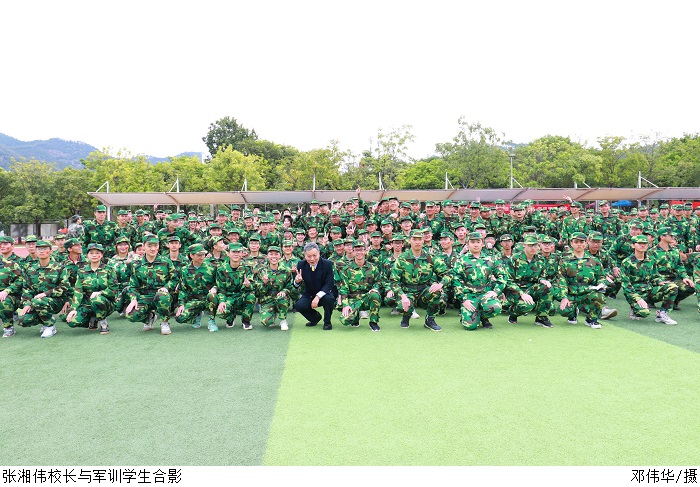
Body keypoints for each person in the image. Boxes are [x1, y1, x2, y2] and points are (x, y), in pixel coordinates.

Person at [389, 229, 449, 331]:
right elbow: (394, 281)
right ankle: (406, 316)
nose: (417, 242)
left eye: (419, 239)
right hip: (407, 291)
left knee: (436, 292)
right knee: (401, 305)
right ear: (409, 240)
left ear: (423, 241)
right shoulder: (402, 258)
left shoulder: (430, 257)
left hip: (423, 291)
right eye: (414, 239)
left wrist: (440, 284)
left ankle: (430, 319)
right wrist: (403, 296)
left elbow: (447, 273)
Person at [452, 232, 506, 330]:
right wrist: (463, 299)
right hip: (469, 295)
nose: (475, 244)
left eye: (478, 242)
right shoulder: (461, 260)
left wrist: (496, 291)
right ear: (467, 244)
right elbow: (456, 280)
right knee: (470, 326)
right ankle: (467, 315)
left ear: (482, 243)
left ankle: (483, 317)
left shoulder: (491, 259)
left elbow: (502, 275)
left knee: (496, 307)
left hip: (485, 294)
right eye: (472, 242)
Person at [620, 235, 679, 324]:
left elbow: (654, 276)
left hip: (649, 290)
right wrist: (637, 298)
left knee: (672, 287)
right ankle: (634, 308)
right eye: (639, 243)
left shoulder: (651, 260)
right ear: (633, 245)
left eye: (645, 243)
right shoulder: (627, 262)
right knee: (644, 313)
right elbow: (625, 284)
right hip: (636, 293)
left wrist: (659, 281)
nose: (642, 245)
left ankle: (662, 314)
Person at [124, 236, 177, 335]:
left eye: (155, 246)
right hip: (145, 297)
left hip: (162, 296)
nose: (153, 249)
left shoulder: (166, 262)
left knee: (162, 296)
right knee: (131, 314)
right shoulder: (137, 265)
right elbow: (133, 286)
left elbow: (174, 279)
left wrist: (166, 287)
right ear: (143, 246)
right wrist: (133, 299)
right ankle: (150, 318)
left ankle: (165, 322)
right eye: (149, 246)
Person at [556, 232, 609, 329]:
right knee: (564, 311)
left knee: (599, 297)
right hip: (572, 294)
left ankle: (591, 319)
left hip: (587, 293)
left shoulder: (594, 261)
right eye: (576, 242)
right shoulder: (565, 260)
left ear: (586, 243)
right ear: (571, 243)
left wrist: (601, 284)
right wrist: (564, 297)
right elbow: (562, 280)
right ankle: (573, 313)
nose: (579, 244)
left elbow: (601, 276)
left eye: (581, 242)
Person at [65, 244, 119, 334]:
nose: (94, 255)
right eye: (91, 253)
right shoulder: (81, 271)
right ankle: (92, 318)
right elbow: (78, 291)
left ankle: (103, 322)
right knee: (72, 321)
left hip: (105, 302)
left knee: (97, 300)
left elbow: (114, 289)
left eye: (97, 253)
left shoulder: (109, 270)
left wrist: (101, 293)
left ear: (101, 255)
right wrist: (73, 308)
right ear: (87, 255)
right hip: (87, 303)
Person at [16, 240, 65, 337]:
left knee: (39, 301)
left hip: (56, 301)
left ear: (51, 251)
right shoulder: (30, 269)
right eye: (39, 249)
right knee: (23, 320)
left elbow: (64, 287)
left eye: (44, 249)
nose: (41, 251)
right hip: (36, 302)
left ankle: (49, 326)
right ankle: (45, 318)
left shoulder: (59, 268)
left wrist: (46, 294)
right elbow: (27, 289)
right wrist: (27, 304)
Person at [337, 240, 382, 332]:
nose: (359, 253)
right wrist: (345, 304)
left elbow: (378, 281)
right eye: (356, 250)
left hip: (366, 298)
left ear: (365, 251)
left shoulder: (372, 267)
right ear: (353, 252)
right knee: (345, 320)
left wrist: (375, 288)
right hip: (353, 299)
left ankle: (373, 322)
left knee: (375, 295)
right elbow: (344, 288)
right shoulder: (346, 269)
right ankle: (355, 316)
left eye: (361, 250)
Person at [212, 242, 256, 330]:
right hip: (229, 298)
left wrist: (248, 285)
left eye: (238, 252)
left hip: (241, 297)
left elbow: (252, 287)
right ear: (228, 254)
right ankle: (230, 318)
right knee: (221, 312)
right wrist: (222, 301)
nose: (236, 254)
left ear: (242, 254)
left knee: (251, 296)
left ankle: (246, 321)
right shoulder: (221, 269)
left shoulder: (247, 268)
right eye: (233, 252)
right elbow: (221, 289)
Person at [174, 243, 218, 331]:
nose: (202, 257)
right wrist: (181, 305)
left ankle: (211, 320)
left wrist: (215, 288)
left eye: (203, 255)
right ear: (191, 255)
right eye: (199, 255)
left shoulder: (212, 267)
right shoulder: (185, 270)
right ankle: (197, 314)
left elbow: (219, 283)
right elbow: (183, 289)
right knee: (180, 317)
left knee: (212, 296)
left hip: (209, 299)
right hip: (194, 300)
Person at [293, 242, 336, 330]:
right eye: (309, 256)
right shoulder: (301, 264)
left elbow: (330, 283)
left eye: (314, 255)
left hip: (324, 293)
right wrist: (297, 281)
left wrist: (318, 297)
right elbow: (296, 285)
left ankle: (327, 322)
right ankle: (315, 318)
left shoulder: (327, 264)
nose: (312, 259)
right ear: (305, 256)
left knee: (329, 299)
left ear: (319, 253)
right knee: (299, 305)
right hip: (309, 294)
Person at [253, 246, 294, 330]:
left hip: (281, 299)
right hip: (267, 301)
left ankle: (283, 320)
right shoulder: (261, 271)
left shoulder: (286, 270)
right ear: (267, 256)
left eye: (276, 254)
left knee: (281, 298)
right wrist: (264, 284)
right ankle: (273, 314)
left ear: (280, 256)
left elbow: (290, 286)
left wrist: (284, 291)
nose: (274, 256)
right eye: (271, 254)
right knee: (266, 322)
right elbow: (258, 293)